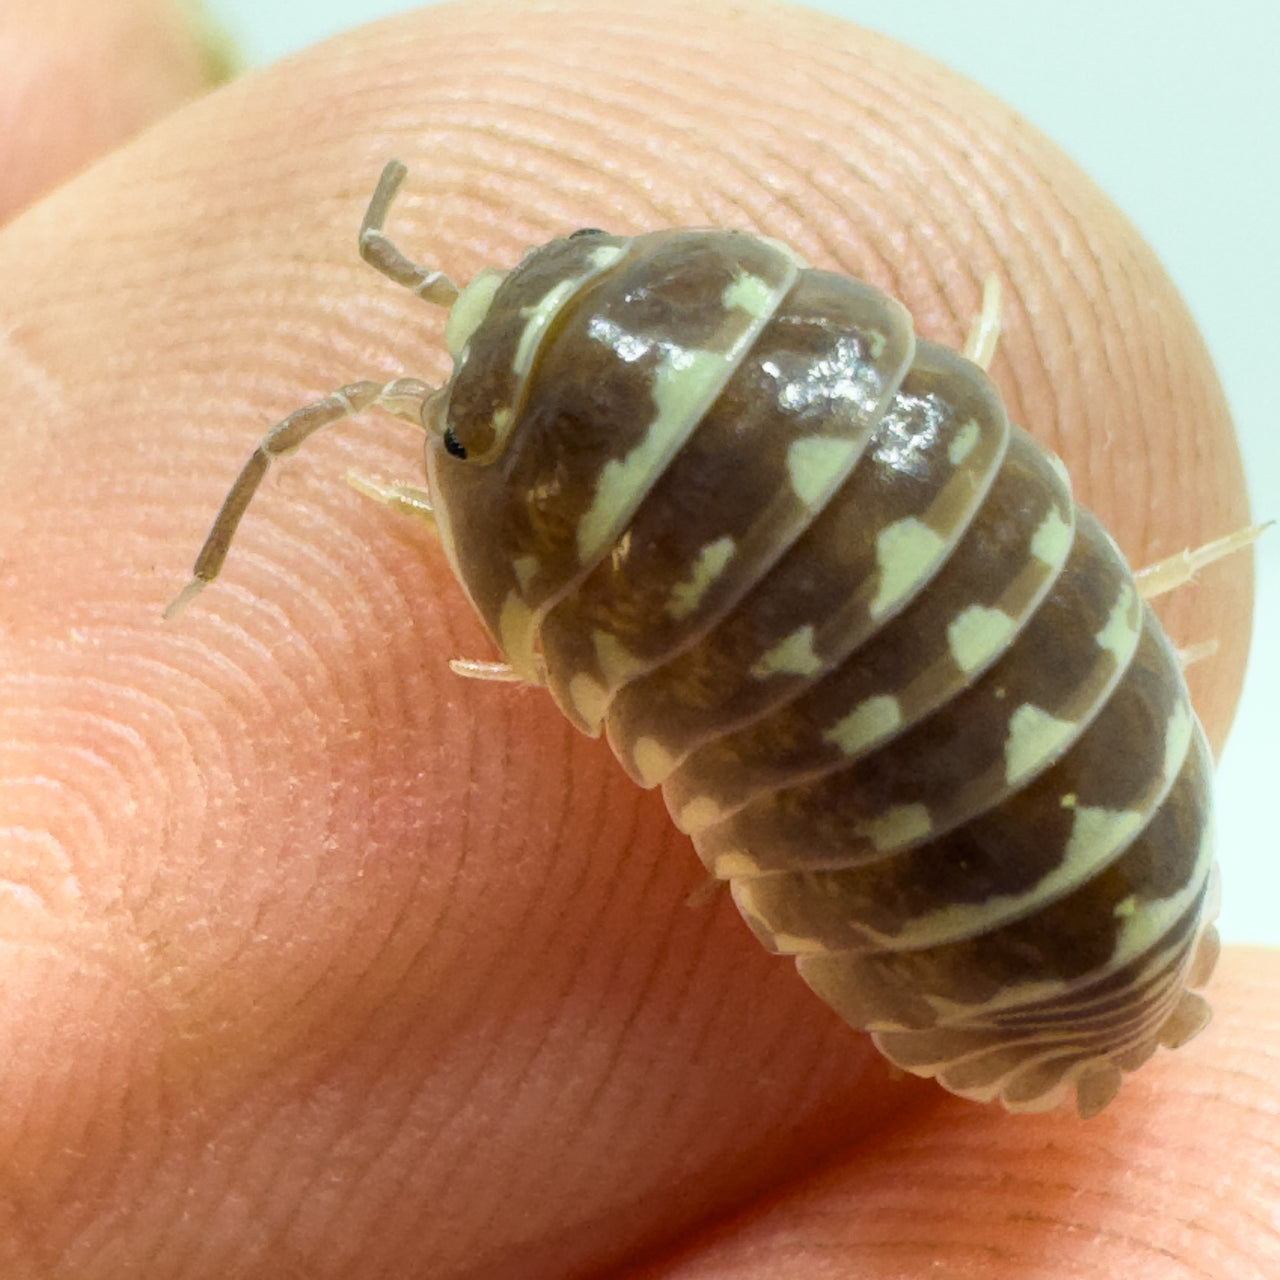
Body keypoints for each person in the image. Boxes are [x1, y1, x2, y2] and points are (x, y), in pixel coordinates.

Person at [0, 2, 1271, 1276]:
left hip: (1029, 943)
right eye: (461, 441)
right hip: (1095, 876)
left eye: (457, 445)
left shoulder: (567, 568)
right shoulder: (721, 353)